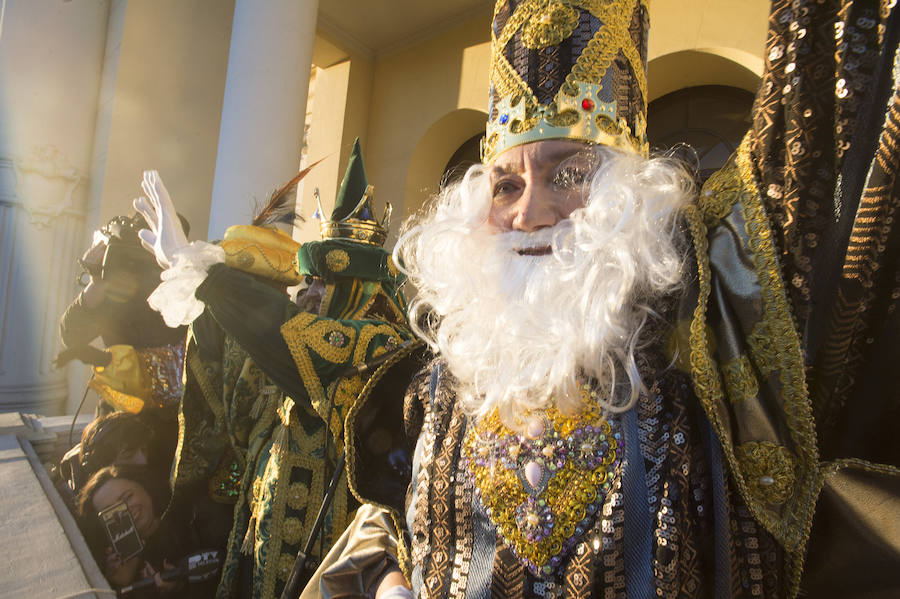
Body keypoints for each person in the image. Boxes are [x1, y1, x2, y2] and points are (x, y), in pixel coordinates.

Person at [136, 1, 900, 596]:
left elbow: (823, 122)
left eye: (569, 174)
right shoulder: (434, 393)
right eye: (507, 183)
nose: (530, 212)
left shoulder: (707, 377)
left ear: (632, 203)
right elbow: (386, 505)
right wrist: (387, 577)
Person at [140, 141, 415, 599]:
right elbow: (230, 397)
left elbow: (291, 341)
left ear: (360, 288)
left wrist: (206, 275)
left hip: (326, 569)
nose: (308, 292)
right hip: (256, 551)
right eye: (307, 280)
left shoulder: (382, 345)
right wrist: (200, 300)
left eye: (324, 282)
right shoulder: (294, 349)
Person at [57, 213, 189, 416]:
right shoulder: (117, 292)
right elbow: (72, 336)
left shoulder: (185, 289)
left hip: (172, 418)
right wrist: (96, 282)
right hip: (119, 416)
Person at [76, 464, 208, 597]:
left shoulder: (191, 520)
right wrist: (120, 586)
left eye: (127, 497)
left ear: (145, 487)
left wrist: (178, 588)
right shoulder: (104, 572)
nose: (126, 509)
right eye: (112, 513)